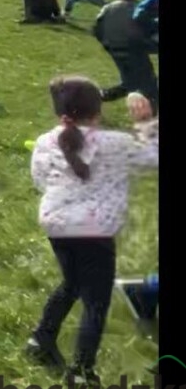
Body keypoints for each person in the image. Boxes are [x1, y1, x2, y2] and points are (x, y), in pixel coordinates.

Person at [24, 76, 158, 384]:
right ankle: (82, 370)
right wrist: (146, 122)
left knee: (72, 283)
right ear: (97, 112)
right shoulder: (114, 144)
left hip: (57, 225)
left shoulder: (46, 140)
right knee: (96, 301)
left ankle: (40, 340)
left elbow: (39, 178)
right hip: (95, 232)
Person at [95, 0, 158, 106]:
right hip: (135, 50)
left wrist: (108, 44)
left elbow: (97, 29)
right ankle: (150, 115)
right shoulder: (137, 8)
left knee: (131, 81)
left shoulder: (107, 8)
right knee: (148, 84)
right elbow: (148, 27)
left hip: (114, 50)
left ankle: (98, 96)